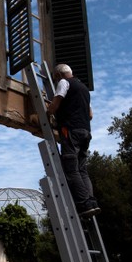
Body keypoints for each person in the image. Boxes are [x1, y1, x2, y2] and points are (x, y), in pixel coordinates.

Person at [45, 63, 100, 217]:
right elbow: (90, 115)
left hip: (71, 131)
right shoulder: (83, 88)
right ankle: (92, 201)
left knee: (71, 169)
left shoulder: (64, 83)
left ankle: (84, 203)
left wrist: (48, 112)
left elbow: (55, 104)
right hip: (86, 132)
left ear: (57, 76)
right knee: (83, 169)